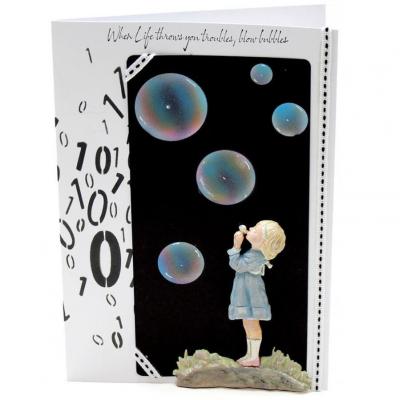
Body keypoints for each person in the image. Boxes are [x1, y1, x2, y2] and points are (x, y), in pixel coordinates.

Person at [227, 220, 286, 367]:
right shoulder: (254, 253)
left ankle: (253, 357)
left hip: (251, 296)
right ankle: (250, 354)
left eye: (255, 230)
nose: (251, 228)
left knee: (251, 324)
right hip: (247, 293)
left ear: (263, 242)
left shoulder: (256, 256)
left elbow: (237, 265)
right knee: (248, 324)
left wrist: (236, 246)